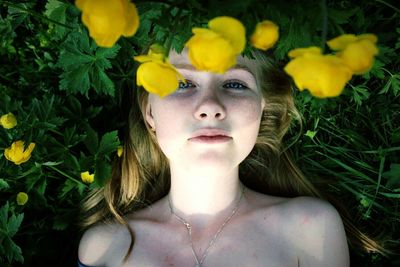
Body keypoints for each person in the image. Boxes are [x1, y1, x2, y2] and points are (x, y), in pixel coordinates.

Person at [78, 48, 373, 266]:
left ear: (261, 109)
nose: (209, 106)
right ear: (149, 112)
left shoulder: (310, 227)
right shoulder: (106, 247)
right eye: (183, 83)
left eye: (235, 84)